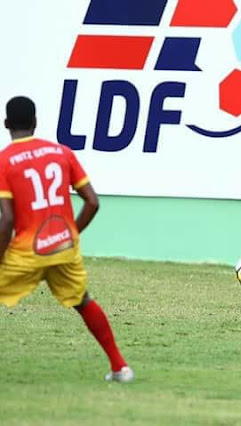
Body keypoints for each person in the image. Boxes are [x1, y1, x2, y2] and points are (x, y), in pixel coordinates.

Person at [0, 96, 133, 382]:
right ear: (36, 123)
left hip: (26, 252)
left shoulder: (4, 160)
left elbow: (7, 220)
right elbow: (92, 202)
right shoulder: (62, 152)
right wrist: (67, 235)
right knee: (83, 301)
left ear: (6, 124)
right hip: (63, 247)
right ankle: (120, 367)